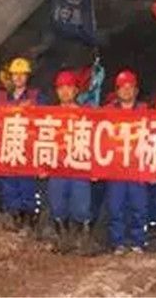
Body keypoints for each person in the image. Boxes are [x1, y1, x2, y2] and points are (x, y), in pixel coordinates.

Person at [0, 57, 46, 232]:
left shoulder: (36, 97)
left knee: (27, 184)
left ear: (27, 77)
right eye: (15, 74)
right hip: (7, 147)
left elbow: (45, 120)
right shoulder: (0, 96)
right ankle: (14, 216)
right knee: (8, 184)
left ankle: (30, 218)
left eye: (22, 74)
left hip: (27, 148)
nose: (18, 77)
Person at [47, 70, 92, 253]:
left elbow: (97, 141)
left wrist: (96, 167)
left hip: (80, 167)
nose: (65, 92)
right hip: (57, 167)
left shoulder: (86, 113)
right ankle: (63, 238)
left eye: (69, 87)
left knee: (81, 206)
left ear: (76, 91)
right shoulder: (48, 115)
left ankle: (81, 239)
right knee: (57, 204)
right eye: (61, 88)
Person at [105, 69, 149, 254]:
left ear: (136, 90)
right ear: (117, 91)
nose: (126, 91)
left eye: (130, 87)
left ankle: (138, 241)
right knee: (116, 207)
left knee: (139, 207)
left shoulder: (145, 111)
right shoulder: (108, 112)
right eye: (122, 87)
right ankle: (118, 242)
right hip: (116, 168)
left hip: (137, 167)